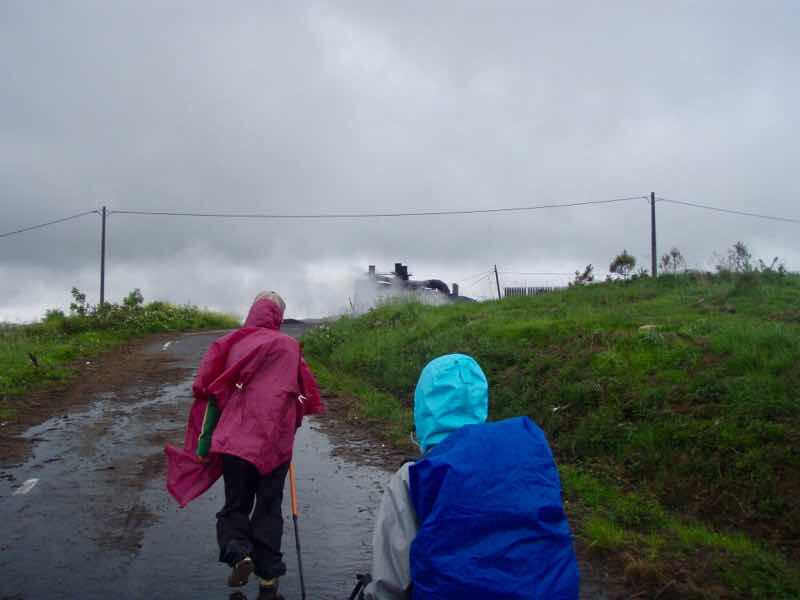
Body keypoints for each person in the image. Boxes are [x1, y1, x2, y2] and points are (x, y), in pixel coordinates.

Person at [362, 354, 579, 599]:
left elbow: (389, 586)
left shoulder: (414, 477)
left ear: (422, 411)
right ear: (480, 403)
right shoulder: (530, 455)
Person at [166, 291, 324, 600]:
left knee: (236, 505)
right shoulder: (290, 347)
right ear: (278, 317)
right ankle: (268, 578)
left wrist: (202, 446)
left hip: (236, 442)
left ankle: (239, 554)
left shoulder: (235, 343)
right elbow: (305, 392)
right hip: (275, 445)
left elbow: (210, 391)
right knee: (268, 507)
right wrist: (290, 421)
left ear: (253, 312)